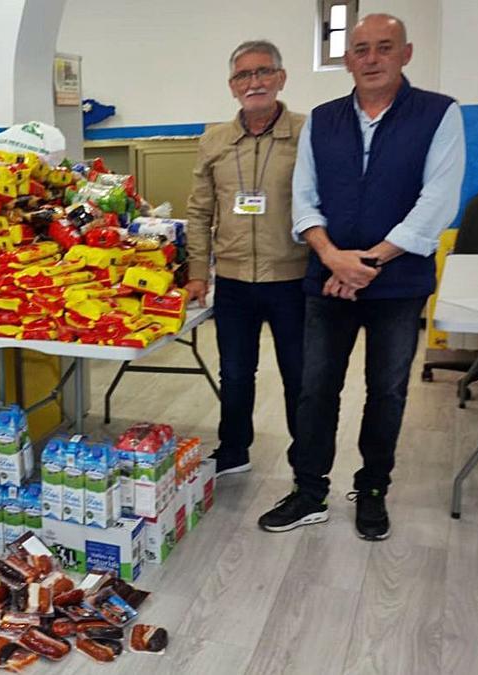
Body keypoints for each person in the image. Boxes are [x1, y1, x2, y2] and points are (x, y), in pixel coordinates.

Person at [259, 14, 465, 540]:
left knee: (387, 391)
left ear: (406, 53)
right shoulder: (323, 121)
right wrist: (333, 257)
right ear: (346, 58)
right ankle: (309, 491)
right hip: (326, 279)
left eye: (384, 47)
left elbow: (436, 203)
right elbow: (303, 200)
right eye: (361, 49)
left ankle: (373, 489)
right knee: (314, 389)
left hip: (397, 285)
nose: (371, 58)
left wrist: (366, 264)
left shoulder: (439, 114)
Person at [185, 40, 308, 478]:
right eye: (243, 76)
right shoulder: (214, 140)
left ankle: (305, 460)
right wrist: (199, 272)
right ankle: (234, 449)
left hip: (292, 277)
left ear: (280, 77)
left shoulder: (306, 132)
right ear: (232, 86)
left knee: (299, 375)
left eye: (262, 72)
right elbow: (199, 211)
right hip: (234, 279)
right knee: (236, 373)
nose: (253, 82)